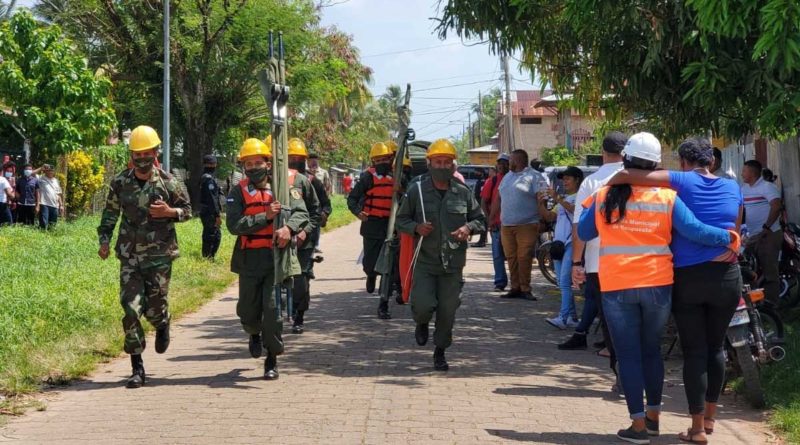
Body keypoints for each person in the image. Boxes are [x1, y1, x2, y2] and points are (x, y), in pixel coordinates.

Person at [578, 132, 740, 444]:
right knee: (651, 351)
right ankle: (654, 418)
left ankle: (638, 426)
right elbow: (695, 230)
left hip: (617, 287)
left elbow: (584, 231)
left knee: (627, 355)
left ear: (626, 159)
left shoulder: (603, 194)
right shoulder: (666, 197)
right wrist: (729, 238)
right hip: (657, 285)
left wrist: (599, 198)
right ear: (655, 165)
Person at [97, 125, 192, 388]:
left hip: (159, 256)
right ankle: (137, 368)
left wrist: (170, 213)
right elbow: (109, 216)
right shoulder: (120, 182)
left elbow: (188, 211)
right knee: (130, 309)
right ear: (131, 155)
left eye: (146, 153)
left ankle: (163, 324)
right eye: (136, 154)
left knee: (154, 310)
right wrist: (104, 240)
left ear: (155, 153)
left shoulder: (168, 181)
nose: (141, 159)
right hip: (129, 256)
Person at [396, 138, 485, 371]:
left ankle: (440, 351)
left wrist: (468, 228)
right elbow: (401, 220)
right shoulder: (417, 190)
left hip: (453, 264)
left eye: (447, 162)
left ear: (453, 165)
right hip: (424, 260)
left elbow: (480, 219)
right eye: (438, 161)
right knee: (423, 305)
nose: (443, 165)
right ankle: (422, 322)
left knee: (448, 311)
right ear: (429, 163)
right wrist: (416, 228)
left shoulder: (463, 192)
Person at [225, 138, 309, 380]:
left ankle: (271, 358)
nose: (253, 167)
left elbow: (301, 213)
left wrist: (288, 229)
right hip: (249, 260)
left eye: (257, 162)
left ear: (268, 163)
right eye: (247, 164)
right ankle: (253, 333)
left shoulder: (284, 187)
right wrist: (265, 216)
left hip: (275, 259)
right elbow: (234, 225)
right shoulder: (237, 191)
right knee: (248, 312)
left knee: (272, 311)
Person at [558, 132, 626, 351]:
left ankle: (618, 369)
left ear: (603, 153)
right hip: (635, 263)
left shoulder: (592, 182)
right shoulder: (638, 180)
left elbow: (579, 228)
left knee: (609, 316)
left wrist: (577, 264)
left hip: (599, 262)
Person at [347, 142, 395, 315]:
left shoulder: (398, 176)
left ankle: (384, 303)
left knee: (389, 266)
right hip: (372, 224)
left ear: (391, 159)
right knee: (370, 262)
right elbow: (352, 199)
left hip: (391, 225)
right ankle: (370, 274)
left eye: (385, 159)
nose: (382, 162)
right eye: (378, 160)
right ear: (373, 162)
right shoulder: (367, 177)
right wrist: (358, 213)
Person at [288, 137, 329, 334]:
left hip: (306, 237)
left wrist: (323, 215)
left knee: (301, 278)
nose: (295, 161)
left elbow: (324, 205)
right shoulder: (277, 180)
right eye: (291, 157)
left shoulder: (312, 181)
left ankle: (299, 316)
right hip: (282, 237)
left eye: (299, 157)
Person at [494, 149, 545, 300]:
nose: (508, 163)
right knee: (511, 257)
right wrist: (491, 217)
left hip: (527, 224)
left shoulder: (534, 176)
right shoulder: (507, 177)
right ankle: (514, 287)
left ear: (518, 160)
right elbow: (499, 197)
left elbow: (541, 198)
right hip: (507, 225)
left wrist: (543, 218)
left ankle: (525, 288)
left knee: (524, 257)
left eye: (510, 160)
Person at [539, 166, 583, 329]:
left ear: (577, 180)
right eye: (563, 179)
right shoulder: (564, 198)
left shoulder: (580, 197)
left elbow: (574, 210)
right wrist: (541, 203)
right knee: (560, 281)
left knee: (564, 281)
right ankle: (572, 317)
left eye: (567, 179)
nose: (564, 182)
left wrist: (557, 198)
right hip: (558, 243)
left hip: (571, 242)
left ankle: (563, 318)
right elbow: (550, 216)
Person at [741, 159, 783, 303]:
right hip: (752, 236)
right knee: (750, 271)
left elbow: (776, 206)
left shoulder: (767, 187)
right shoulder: (744, 189)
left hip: (768, 235)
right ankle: (756, 305)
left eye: (744, 171)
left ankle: (772, 306)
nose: (742, 174)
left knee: (769, 272)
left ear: (752, 173)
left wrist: (766, 227)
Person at [483, 154, 510, 292]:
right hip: (497, 224)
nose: (502, 165)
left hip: (512, 223)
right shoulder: (492, 181)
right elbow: (484, 202)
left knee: (513, 255)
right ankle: (500, 282)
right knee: (498, 254)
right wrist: (489, 219)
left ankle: (518, 284)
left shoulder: (513, 180)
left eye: (505, 163)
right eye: (500, 163)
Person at [198, 155, 223, 259]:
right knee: (214, 235)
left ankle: (206, 256)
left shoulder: (204, 177)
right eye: (211, 164)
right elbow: (212, 199)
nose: (212, 166)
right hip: (210, 212)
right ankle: (209, 256)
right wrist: (217, 215)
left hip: (204, 210)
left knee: (208, 233)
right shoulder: (209, 180)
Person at [38, 164, 63, 229]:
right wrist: (41, 168)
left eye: (52, 171)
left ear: (54, 172)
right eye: (48, 171)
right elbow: (31, 174)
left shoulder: (56, 181)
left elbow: (59, 193)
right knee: (44, 223)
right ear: (45, 171)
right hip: (44, 204)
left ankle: (51, 236)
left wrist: (61, 205)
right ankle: (42, 235)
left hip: (55, 205)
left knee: (53, 224)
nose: (50, 172)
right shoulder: (41, 178)